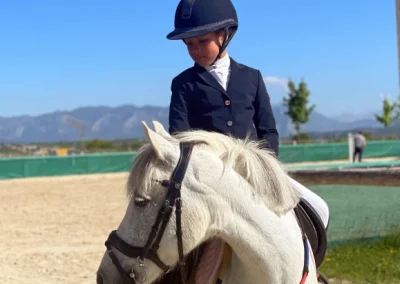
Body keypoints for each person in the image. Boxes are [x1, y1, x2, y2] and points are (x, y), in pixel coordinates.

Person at [166, 0, 329, 229]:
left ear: (223, 35)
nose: (195, 49)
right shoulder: (183, 84)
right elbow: (180, 135)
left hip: (256, 169)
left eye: (203, 41)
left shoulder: (252, 77)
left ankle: (307, 264)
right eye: (189, 44)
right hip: (211, 175)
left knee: (319, 208)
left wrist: (268, 168)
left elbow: (267, 129)